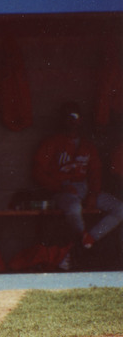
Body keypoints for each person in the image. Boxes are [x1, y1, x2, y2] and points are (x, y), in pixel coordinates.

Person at [33, 101, 123, 255]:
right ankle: (82, 237)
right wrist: (59, 186)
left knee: (120, 208)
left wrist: (93, 194)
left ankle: (90, 238)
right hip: (62, 190)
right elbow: (38, 171)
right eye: (67, 117)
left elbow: (96, 172)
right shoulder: (51, 143)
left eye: (75, 116)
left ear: (80, 120)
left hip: (85, 188)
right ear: (61, 120)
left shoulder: (88, 146)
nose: (72, 120)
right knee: (74, 208)